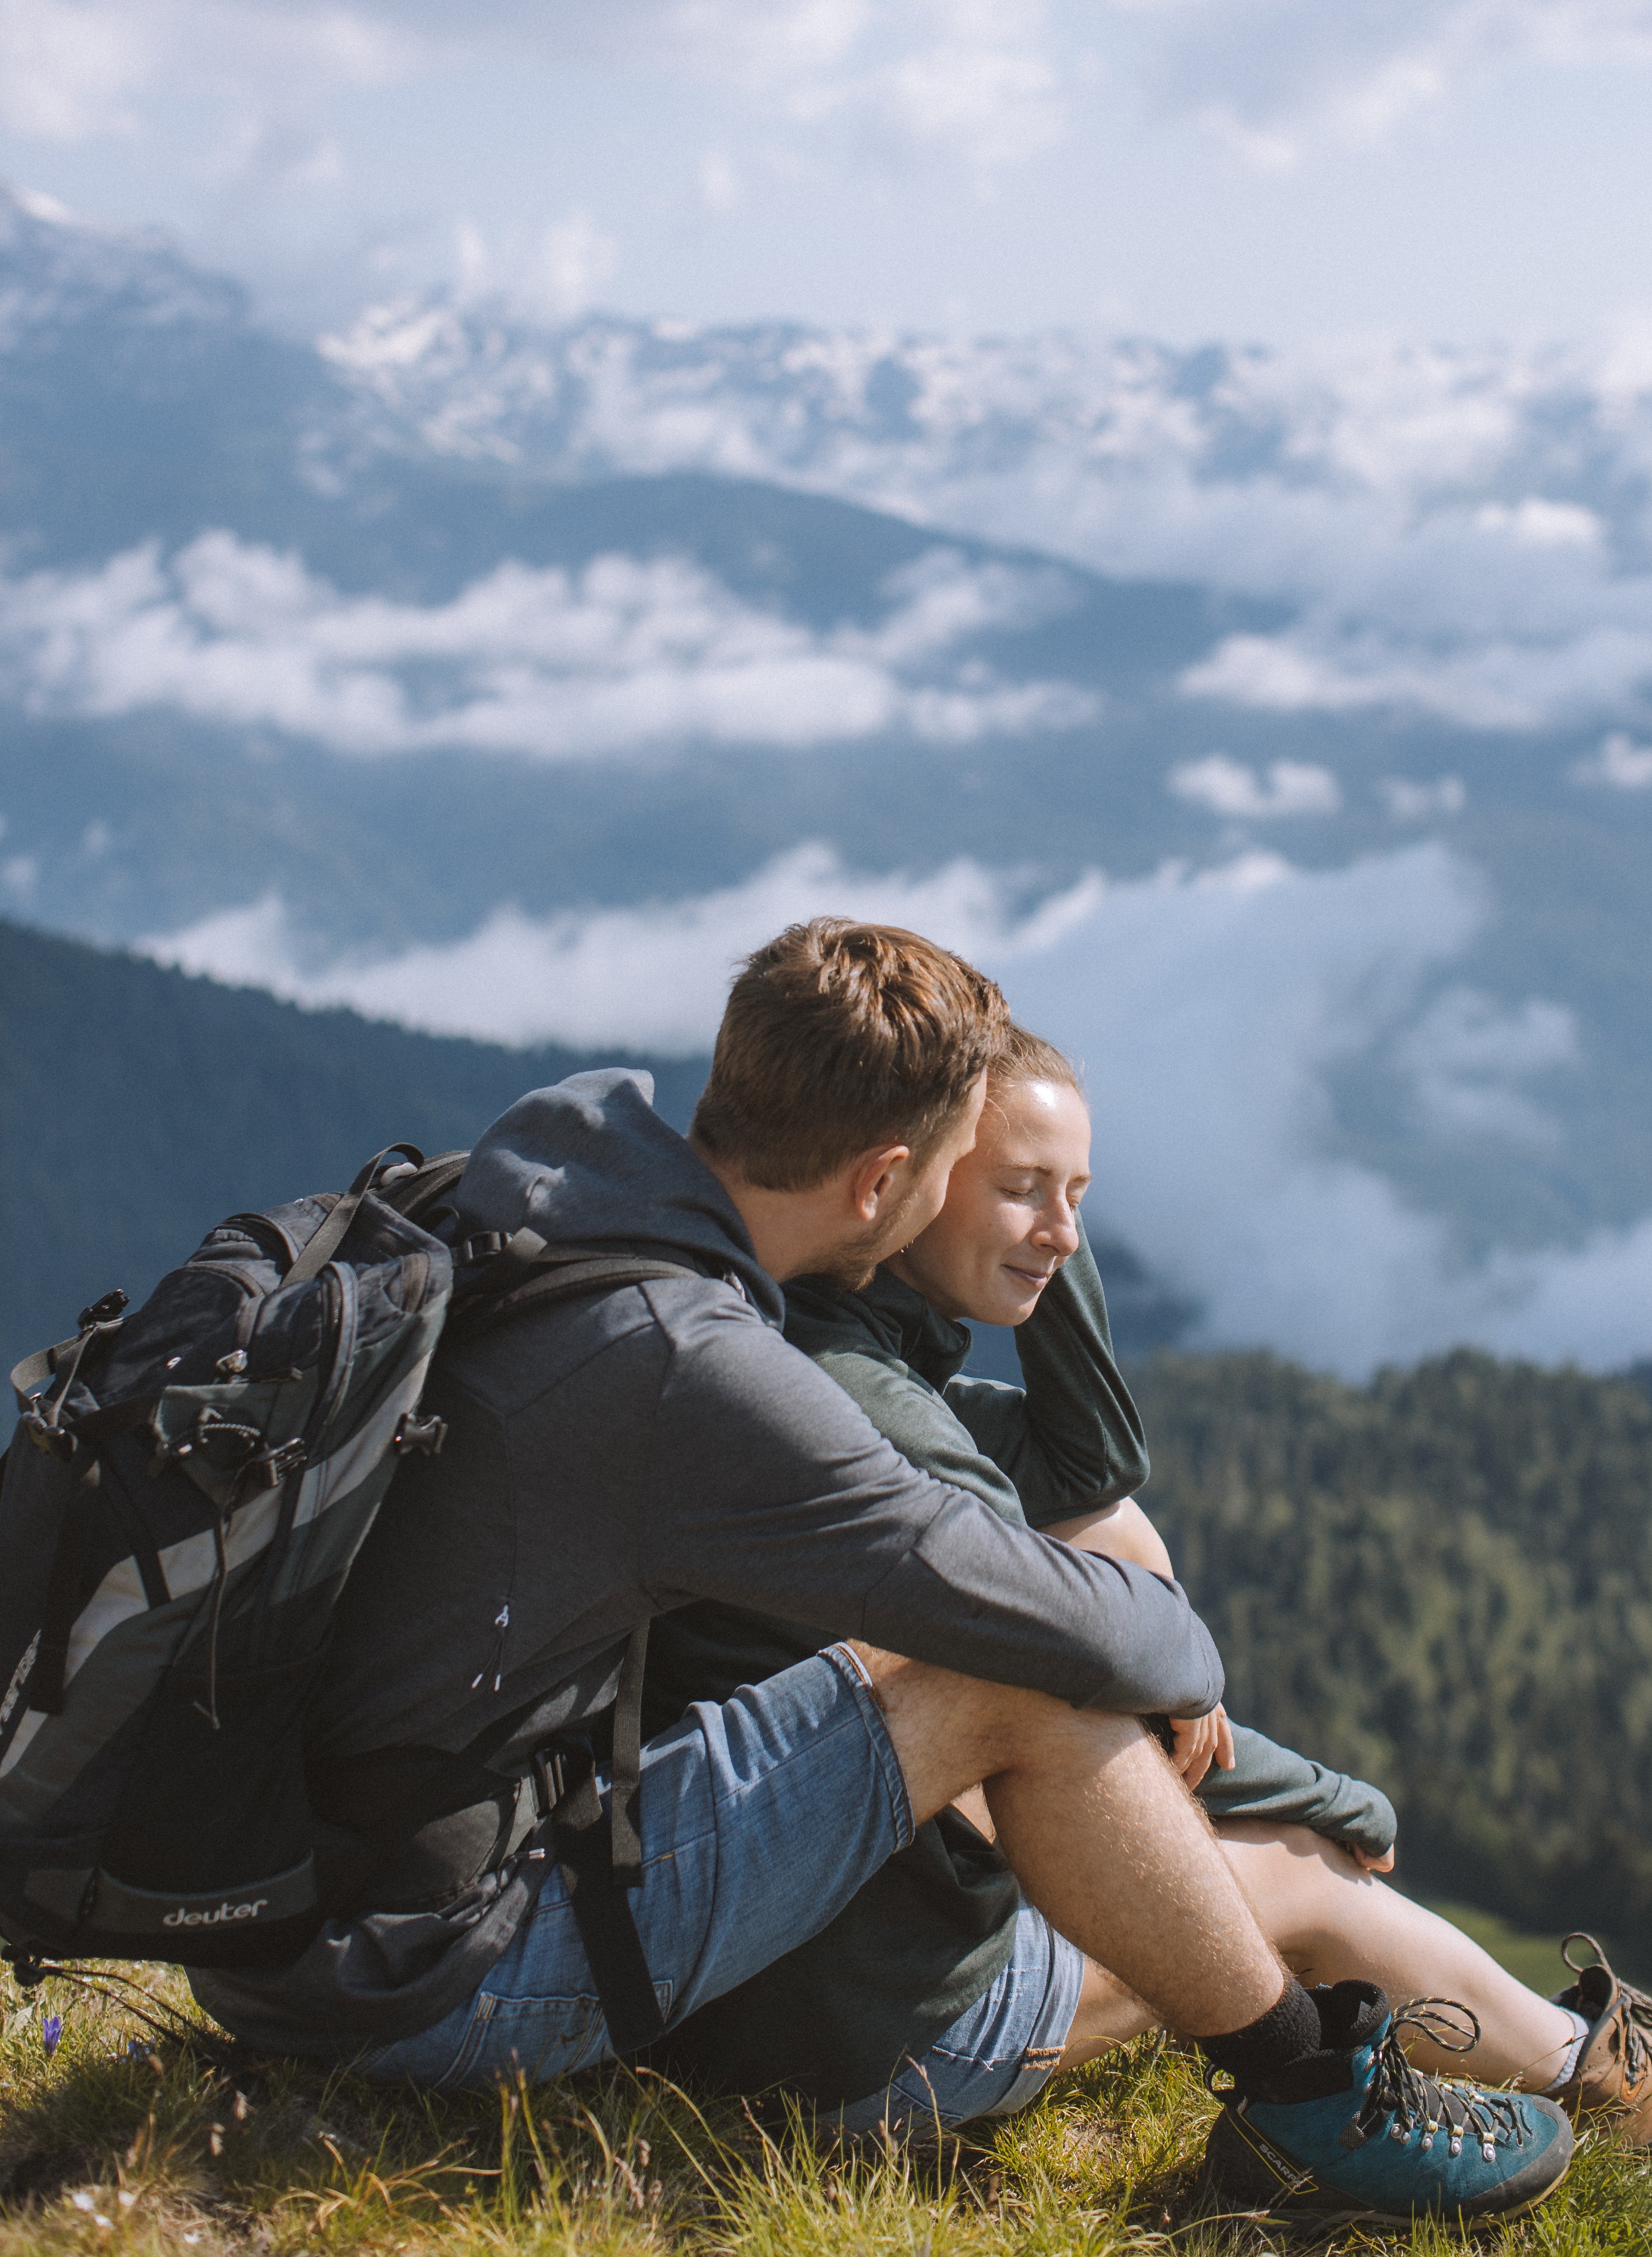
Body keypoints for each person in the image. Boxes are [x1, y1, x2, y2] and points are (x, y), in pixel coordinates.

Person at [188, 920, 1576, 2239]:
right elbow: (1019, 1612)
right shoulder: (700, 1375)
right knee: (1007, 1679)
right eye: (960, 1167)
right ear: (880, 1184)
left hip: (286, 1919)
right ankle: (1308, 2098)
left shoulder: (544, 1192)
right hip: (436, 1987)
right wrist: (1184, 1646)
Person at [643, 1024, 1652, 2168]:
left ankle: (1568, 2056)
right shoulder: (872, 1409)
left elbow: (1092, 1468)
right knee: (1308, 1876)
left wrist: (1034, 1213)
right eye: (1019, 1188)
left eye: (1081, 1194)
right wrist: (1334, 1797)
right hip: (855, 2034)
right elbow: (1066, 1664)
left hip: (769, 1939)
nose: (1065, 1230)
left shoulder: (821, 1338)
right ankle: (1602, 2081)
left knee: (1111, 1541)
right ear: (908, 1181)